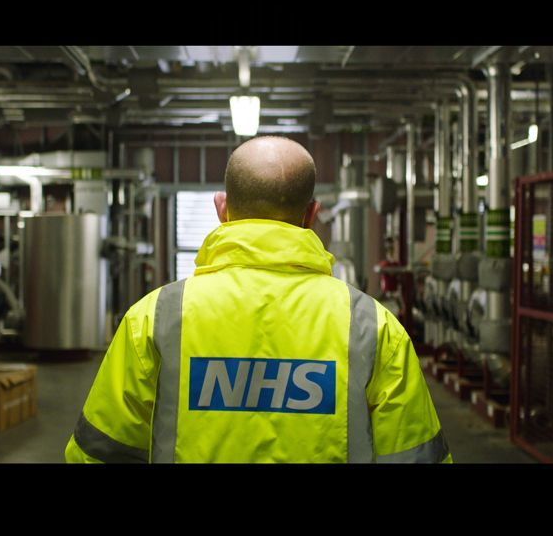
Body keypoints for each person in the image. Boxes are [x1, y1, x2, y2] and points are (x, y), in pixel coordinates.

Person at [65, 135, 451, 463]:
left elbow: (98, 451)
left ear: (222, 208)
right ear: (312, 214)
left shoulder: (153, 318)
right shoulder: (374, 327)